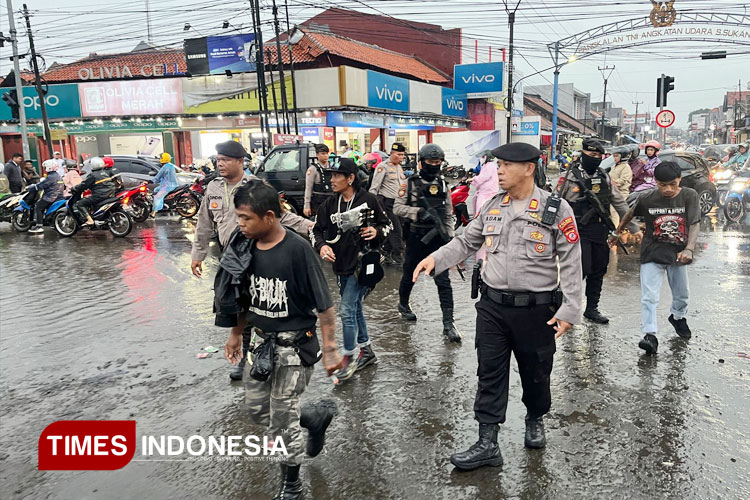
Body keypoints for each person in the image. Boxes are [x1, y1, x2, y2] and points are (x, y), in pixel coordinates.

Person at [413, 142, 582, 470]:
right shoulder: (492, 206)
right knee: (489, 372)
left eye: (505, 165)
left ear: (529, 168)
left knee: (536, 373)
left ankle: (535, 418)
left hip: (537, 309)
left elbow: (572, 261)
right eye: (498, 164)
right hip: (493, 307)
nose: (498, 171)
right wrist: (435, 258)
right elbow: (465, 241)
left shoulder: (556, 210)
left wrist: (571, 309)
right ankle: (487, 442)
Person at [218, 179, 343, 500]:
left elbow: (325, 307)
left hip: (295, 345)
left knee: (281, 415)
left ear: (270, 216)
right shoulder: (244, 246)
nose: (240, 224)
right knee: (258, 410)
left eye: (246, 218)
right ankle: (315, 417)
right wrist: (235, 334)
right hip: (260, 343)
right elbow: (240, 297)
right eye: (238, 218)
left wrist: (330, 349)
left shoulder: (298, 251)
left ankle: (291, 486)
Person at [191, 140, 313, 381]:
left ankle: (259, 355)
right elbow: (204, 224)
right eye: (218, 159)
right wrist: (198, 254)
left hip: (255, 255)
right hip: (229, 256)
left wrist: (311, 228)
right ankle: (243, 358)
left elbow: (280, 216)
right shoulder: (213, 187)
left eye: (226, 160)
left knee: (256, 307)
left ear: (240, 161)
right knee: (236, 306)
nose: (220, 164)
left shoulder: (256, 187)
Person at [311, 158, 391, 381]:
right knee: (354, 308)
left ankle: (348, 357)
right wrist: (322, 246)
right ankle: (367, 351)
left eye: (337, 175)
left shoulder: (369, 200)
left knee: (346, 310)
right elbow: (315, 230)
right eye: (331, 175)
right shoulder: (329, 204)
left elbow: (388, 225)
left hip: (362, 265)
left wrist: (376, 232)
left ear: (351, 178)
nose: (332, 180)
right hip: (341, 265)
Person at [616, 161, 700, 355]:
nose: (668, 189)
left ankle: (678, 317)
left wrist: (689, 249)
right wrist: (617, 232)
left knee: (682, 294)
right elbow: (630, 213)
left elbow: (694, 223)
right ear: (656, 182)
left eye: (672, 184)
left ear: (680, 180)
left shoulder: (689, 196)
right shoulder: (648, 198)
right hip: (652, 251)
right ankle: (650, 335)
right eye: (663, 185)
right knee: (649, 296)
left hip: (678, 252)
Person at [557, 138, 637, 324]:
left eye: (598, 156)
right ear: (583, 154)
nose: (595, 158)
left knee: (599, 268)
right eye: (591, 155)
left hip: (599, 229)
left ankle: (592, 309)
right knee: (581, 268)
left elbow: (618, 202)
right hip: (576, 230)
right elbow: (556, 202)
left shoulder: (604, 176)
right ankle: (568, 308)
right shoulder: (569, 176)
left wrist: (633, 228)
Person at [393, 143, 461, 343]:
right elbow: (397, 208)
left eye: (437, 162)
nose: (434, 165)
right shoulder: (410, 183)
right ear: (422, 163)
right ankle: (403, 305)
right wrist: (418, 213)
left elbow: (448, 213)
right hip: (416, 237)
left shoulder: (442, 184)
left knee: (443, 281)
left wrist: (450, 237)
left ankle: (448, 323)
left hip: (438, 239)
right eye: (430, 162)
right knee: (409, 275)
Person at [370, 143, 408, 266]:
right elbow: (374, 188)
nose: (401, 157)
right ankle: (398, 255)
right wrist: (373, 205)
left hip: (400, 204)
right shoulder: (382, 167)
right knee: (396, 230)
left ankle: (386, 251)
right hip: (387, 203)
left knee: (402, 228)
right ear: (391, 153)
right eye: (399, 154)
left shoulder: (399, 168)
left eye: (403, 155)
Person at [72, 157, 119, 227]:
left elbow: (84, 184)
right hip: (110, 193)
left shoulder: (93, 175)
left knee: (80, 203)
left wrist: (74, 188)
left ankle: (90, 220)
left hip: (100, 195)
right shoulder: (104, 172)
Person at [27, 160, 65, 234]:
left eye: (45, 167)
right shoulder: (58, 175)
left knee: (38, 207)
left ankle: (39, 226)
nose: (44, 169)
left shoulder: (51, 177)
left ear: (49, 167)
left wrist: (30, 188)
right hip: (59, 196)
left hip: (50, 197)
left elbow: (40, 186)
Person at [303, 144, 332, 217]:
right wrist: (307, 205)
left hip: (332, 199)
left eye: (327, 153)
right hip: (319, 202)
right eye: (323, 154)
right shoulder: (313, 169)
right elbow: (308, 188)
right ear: (317, 155)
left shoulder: (333, 167)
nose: (325, 156)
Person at [150, 153, 179, 217]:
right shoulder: (171, 166)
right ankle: (163, 204)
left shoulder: (165, 167)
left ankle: (154, 212)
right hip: (172, 184)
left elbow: (158, 177)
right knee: (155, 190)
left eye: (160, 158)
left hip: (167, 186)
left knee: (157, 197)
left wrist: (151, 181)